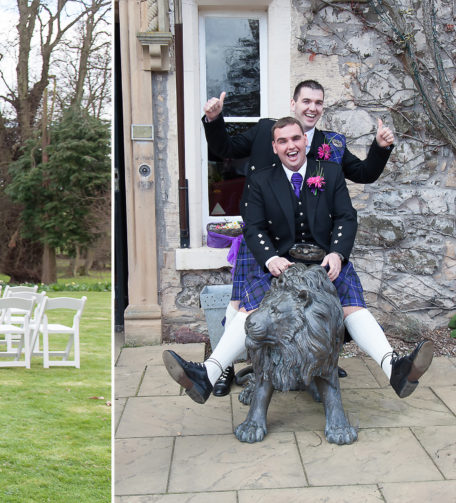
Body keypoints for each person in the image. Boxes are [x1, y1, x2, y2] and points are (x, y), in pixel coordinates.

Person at [164, 117, 432, 403]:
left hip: (324, 264)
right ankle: (207, 375)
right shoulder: (261, 179)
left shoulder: (329, 172)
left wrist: (338, 253)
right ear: (275, 147)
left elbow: (345, 216)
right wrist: (269, 259)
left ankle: (395, 368)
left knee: (352, 305)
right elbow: (253, 227)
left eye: (295, 139)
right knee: (252, 309)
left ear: (305, 140)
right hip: (281, 264)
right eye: (283, 141)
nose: (290, 146)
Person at [201, 80, 397, 395]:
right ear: (293, 104)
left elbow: (362, 174)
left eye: (318, 103)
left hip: (310, 245)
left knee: (322, 304)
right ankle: (221, 367)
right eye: (306, 101)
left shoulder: (330, 144)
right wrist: (214, 120)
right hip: (264, 235)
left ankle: (318, 363)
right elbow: (226, 149)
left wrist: (380, 147)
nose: (312, 108)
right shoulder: (268, 130)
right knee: (241, 304)